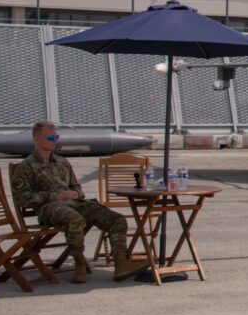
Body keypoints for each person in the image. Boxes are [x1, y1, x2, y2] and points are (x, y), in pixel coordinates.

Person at [11, 121, 150, 284]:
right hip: (50, 208)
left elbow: (77, 187)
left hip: (75, 203)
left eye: (56, 136)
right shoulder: (26, 167)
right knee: (75, 220)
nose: (54, 140)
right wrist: (54, 196)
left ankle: (120, 263)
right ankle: (79, 264)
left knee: (116, 219)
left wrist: (75, 193)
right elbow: (22, 197)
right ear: (36, 139)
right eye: (50, 137)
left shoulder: (63, 162)